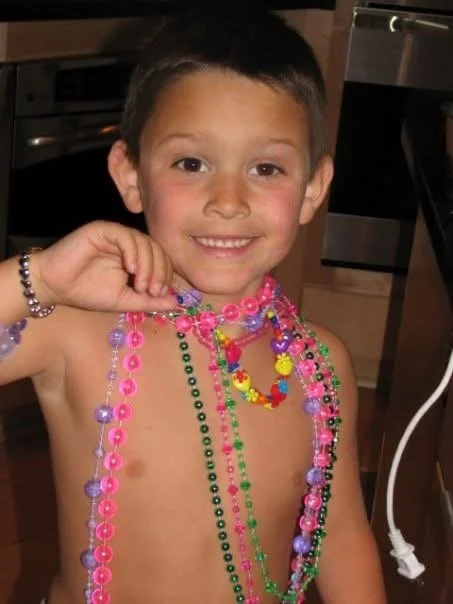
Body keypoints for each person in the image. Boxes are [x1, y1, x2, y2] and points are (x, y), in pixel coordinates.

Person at [0, 7, 386, 604]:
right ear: (131, 175)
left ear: (312, 188)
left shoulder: (319, 367)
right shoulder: (78, 331)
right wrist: (40, 279)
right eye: (191, 163)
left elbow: (339, 536)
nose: (228, 201)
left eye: (266, 168)